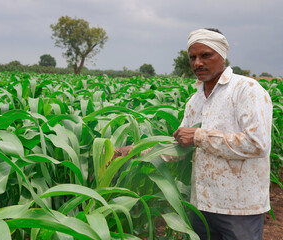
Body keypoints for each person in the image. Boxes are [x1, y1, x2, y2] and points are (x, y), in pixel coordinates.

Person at [114, 28, 273, 240]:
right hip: (202, 206)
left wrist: (199, 136)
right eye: (192, 57)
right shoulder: (195, 101)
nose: (197, 63)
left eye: (206, 55)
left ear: (222, 55)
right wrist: (133, 152)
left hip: (239, 208)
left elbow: (257, 144)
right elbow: (178, 147)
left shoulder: (247, 90)